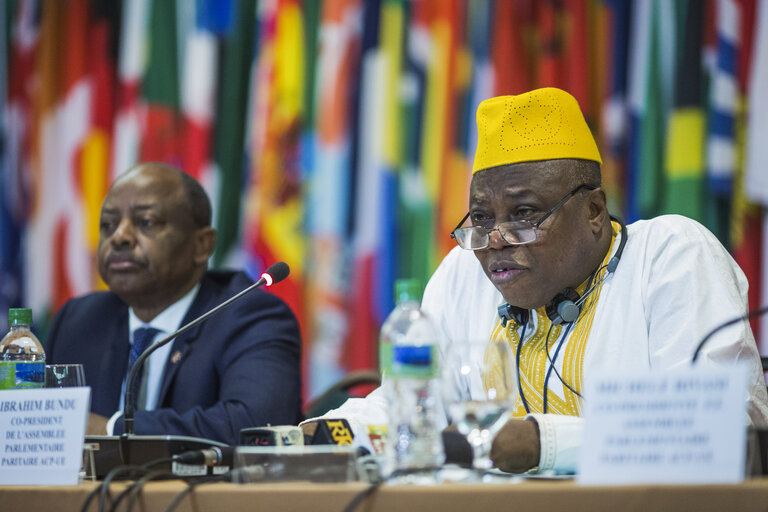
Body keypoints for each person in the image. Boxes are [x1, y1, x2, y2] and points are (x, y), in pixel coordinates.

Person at [307, 87, 768, 473]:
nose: (495, 241)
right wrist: (323, 434)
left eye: (524, 214)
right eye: (482, 219)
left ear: (592, 211)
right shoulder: (461, 274)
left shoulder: (671, 255)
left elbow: (721, 430)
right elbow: (410, 407)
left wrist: (540, 442)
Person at [46, 163, 302, 445]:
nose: (119, 237)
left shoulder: (251, 317)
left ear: (202, 244)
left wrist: (111, 429)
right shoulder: (78, 321)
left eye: (146, 222)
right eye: (108, 224)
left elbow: (257, 427)